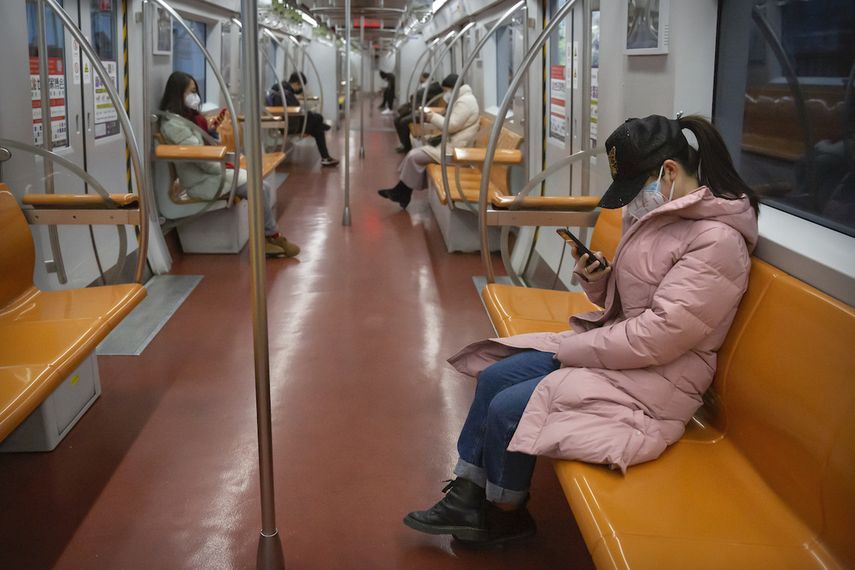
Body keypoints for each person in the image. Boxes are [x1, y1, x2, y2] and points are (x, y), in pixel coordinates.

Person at [403, 114, 760, 545]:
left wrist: (577, 349)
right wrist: (599, 280)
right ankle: (467, 492)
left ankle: (506, 512)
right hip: (623, 355)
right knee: (496, 375)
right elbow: (632, 305)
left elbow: (662, 335)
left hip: (661, 379)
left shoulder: (716, 241)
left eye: (636, 189)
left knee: (511, 405)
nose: (633, 203)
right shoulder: (659, 216)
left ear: (667, 171)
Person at [159, 71, 300, 258]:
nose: (195, 96)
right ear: (178, 94)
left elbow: (203, 150)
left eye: (196, 91)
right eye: (191, 92)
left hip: (210, 173)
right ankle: (272, 237)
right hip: (201, 181)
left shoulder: (188, 119)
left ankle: (269, 238)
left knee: (262, 187)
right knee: (257, 188)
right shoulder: (174, 125)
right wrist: (223, 165)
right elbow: (200, 157)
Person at [378, 74, 479, 209]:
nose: (445, 94)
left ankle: (402, 193)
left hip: (456, 152)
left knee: (414, 156)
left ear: (453, 88)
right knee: (414, 155)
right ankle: (402, 192)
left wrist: (431, 117)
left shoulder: (465, 102)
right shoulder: (462, 99)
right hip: (452, 146)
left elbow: (451, 125)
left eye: (446, 90)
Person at [268, 72, 339, 167]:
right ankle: (325, 156)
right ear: (297, 83)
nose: (300, 89)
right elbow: (295, 110)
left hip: (290, 121)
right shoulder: (285, 92)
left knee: (318, 129)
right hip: (291, 125)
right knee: (318, 119)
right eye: (301, 86)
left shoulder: (281, 89)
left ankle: (325, 157)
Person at [393, 72, 443, 154]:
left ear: (425, 78)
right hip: (421, 109)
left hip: (426, 112)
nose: (420, 80)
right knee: (397, 120)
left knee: (403, 121)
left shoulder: (434, 87)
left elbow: (419, 95)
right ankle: (404, 144)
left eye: (421, 78)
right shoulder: (429, 87)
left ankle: (406, 146)